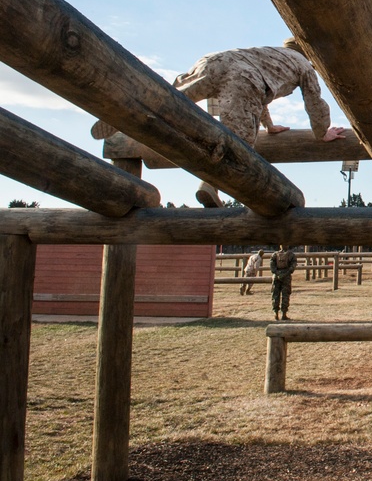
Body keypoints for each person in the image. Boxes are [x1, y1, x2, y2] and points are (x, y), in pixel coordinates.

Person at [91, 38, 347, 207]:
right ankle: (210, 184)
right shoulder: (304, 65)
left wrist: (269, 126)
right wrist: (322, 132)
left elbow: (261, 94)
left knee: (169, 100)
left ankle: (126, 107)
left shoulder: (271, 54)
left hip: (214, 61)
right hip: (243, 80)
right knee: (240, 145)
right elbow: (314, 101)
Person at [270, 245, 298, 321]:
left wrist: (277, 273)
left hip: (276, 276)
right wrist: (287, 272)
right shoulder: (291, 255)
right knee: (285, 295)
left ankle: (275, 313)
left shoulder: (275, 254)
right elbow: (293, 265)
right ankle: (284, 314)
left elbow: (272, 265)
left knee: (275, 295)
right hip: (286, 276)